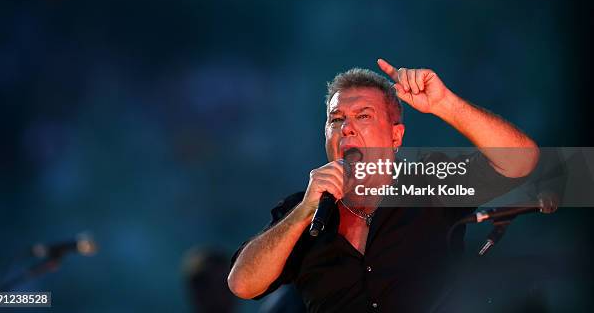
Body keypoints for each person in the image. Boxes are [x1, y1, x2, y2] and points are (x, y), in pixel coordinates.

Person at [227, 59, 540, 312]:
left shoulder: (430, 183)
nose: (346, 128)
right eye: (335, 120)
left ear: (395, 137)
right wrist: (303, 213)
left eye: (363, 116)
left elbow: (522, 162)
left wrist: (445, 104)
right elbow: (242, 284)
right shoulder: (306, 211)